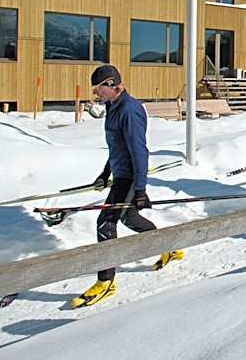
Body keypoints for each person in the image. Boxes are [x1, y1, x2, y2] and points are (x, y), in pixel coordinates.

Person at [69, 65, 183, 308]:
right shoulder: (113, 107)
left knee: (105, 222)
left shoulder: (130, 110)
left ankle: (106, 281)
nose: (96, 94)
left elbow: (139, 151)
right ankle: (169, 246)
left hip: (130, 177)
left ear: (112, 85)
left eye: (98, 89)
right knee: (129, 217)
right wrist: (105, 173)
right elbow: (117, 147)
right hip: (120, 173)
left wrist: (140, 189)